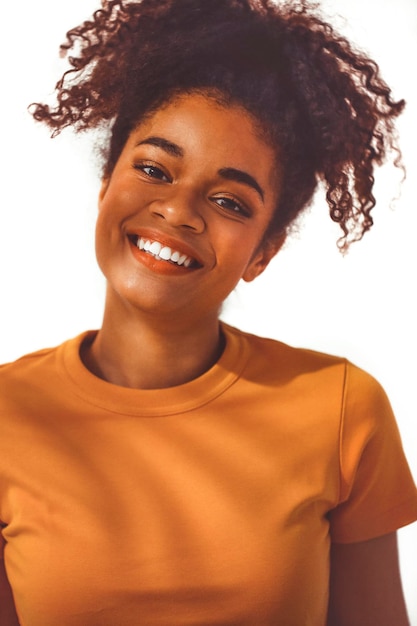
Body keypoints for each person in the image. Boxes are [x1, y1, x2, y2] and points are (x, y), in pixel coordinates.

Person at [1, 0, 416, 624]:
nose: (179, 210)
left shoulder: (340, 409)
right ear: (105, 186)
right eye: (152, 169)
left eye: (229, 201)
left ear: (263, 252)